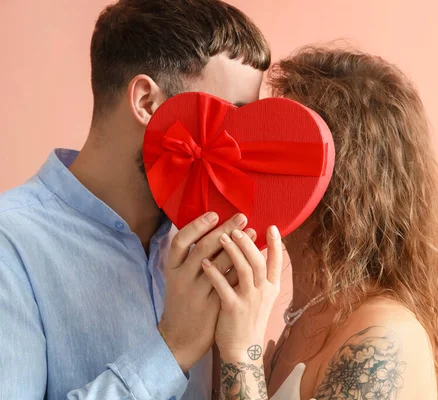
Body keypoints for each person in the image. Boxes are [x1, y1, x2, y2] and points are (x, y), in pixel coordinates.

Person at [0, 1, 270, 399]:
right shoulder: (11, 246)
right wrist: (171, 349)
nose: (239, 146)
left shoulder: (207, 244)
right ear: (147, 102)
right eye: (229, 116)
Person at [203, 47, 438, 400]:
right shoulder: (304, 316)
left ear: (343, 180)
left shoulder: (383, 337)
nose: (244, 160)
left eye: (276, 144)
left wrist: (242, 353)